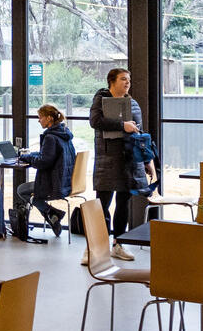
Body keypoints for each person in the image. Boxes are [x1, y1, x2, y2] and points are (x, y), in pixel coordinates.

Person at [89, 68, 150, 260]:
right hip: (106, 160)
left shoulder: (133, 104)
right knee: (102, 205)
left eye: (129, 80)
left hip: (128, 160)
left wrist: (146, 160)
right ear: (111, 81)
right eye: (123, 79)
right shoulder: (100, 99)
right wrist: (122, 125)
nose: (127, 83)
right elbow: (95, 121)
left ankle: (118, 243)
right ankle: (96, 247)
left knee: (123, 203)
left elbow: (140, 133)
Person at [11, 105, 75, 245]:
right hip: (65, 181)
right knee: (28, 191)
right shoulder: (64, 133)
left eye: (40, 117)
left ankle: (53, 214)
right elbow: (45, 156)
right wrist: (29, 156)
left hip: (54, 184)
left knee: (22, 190)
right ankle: (52, 217)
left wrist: (26, 158)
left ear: (49, 118)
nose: (39, 121)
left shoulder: (51, 137)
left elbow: (43, 162)